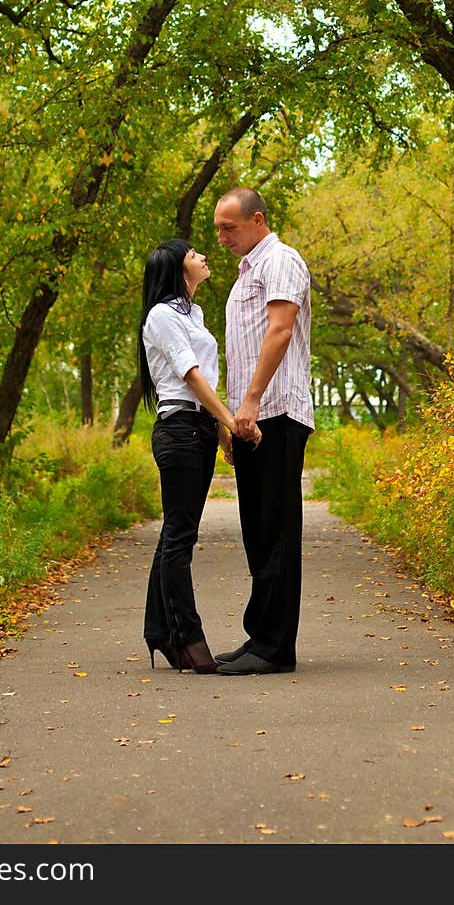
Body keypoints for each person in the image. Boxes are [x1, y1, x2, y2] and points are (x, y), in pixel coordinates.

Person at [138, 237, 259, 675]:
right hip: (179, 431)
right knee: (180, 536)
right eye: (193, 254)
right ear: (177, 268)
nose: (203, 256)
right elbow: (189, 376)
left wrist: (220, 431)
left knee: (177, 531)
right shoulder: (162, 316)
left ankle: (160, 632)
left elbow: (206, 374)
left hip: (199, 431)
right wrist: (229, 419)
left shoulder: (195, 313)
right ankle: (186, 636)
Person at [212, 186, 314, 675]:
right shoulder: (247, 272)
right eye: (217, 229)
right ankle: (262, 636)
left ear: (257, 220)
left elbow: (280, 330)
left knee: (275, 529)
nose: (221, 237)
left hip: (276, 413)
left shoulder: (281, 260)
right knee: (257, 529)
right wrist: (232, 419)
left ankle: (274, 648)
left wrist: (250, 402)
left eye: (229, 227)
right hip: (251, 420)